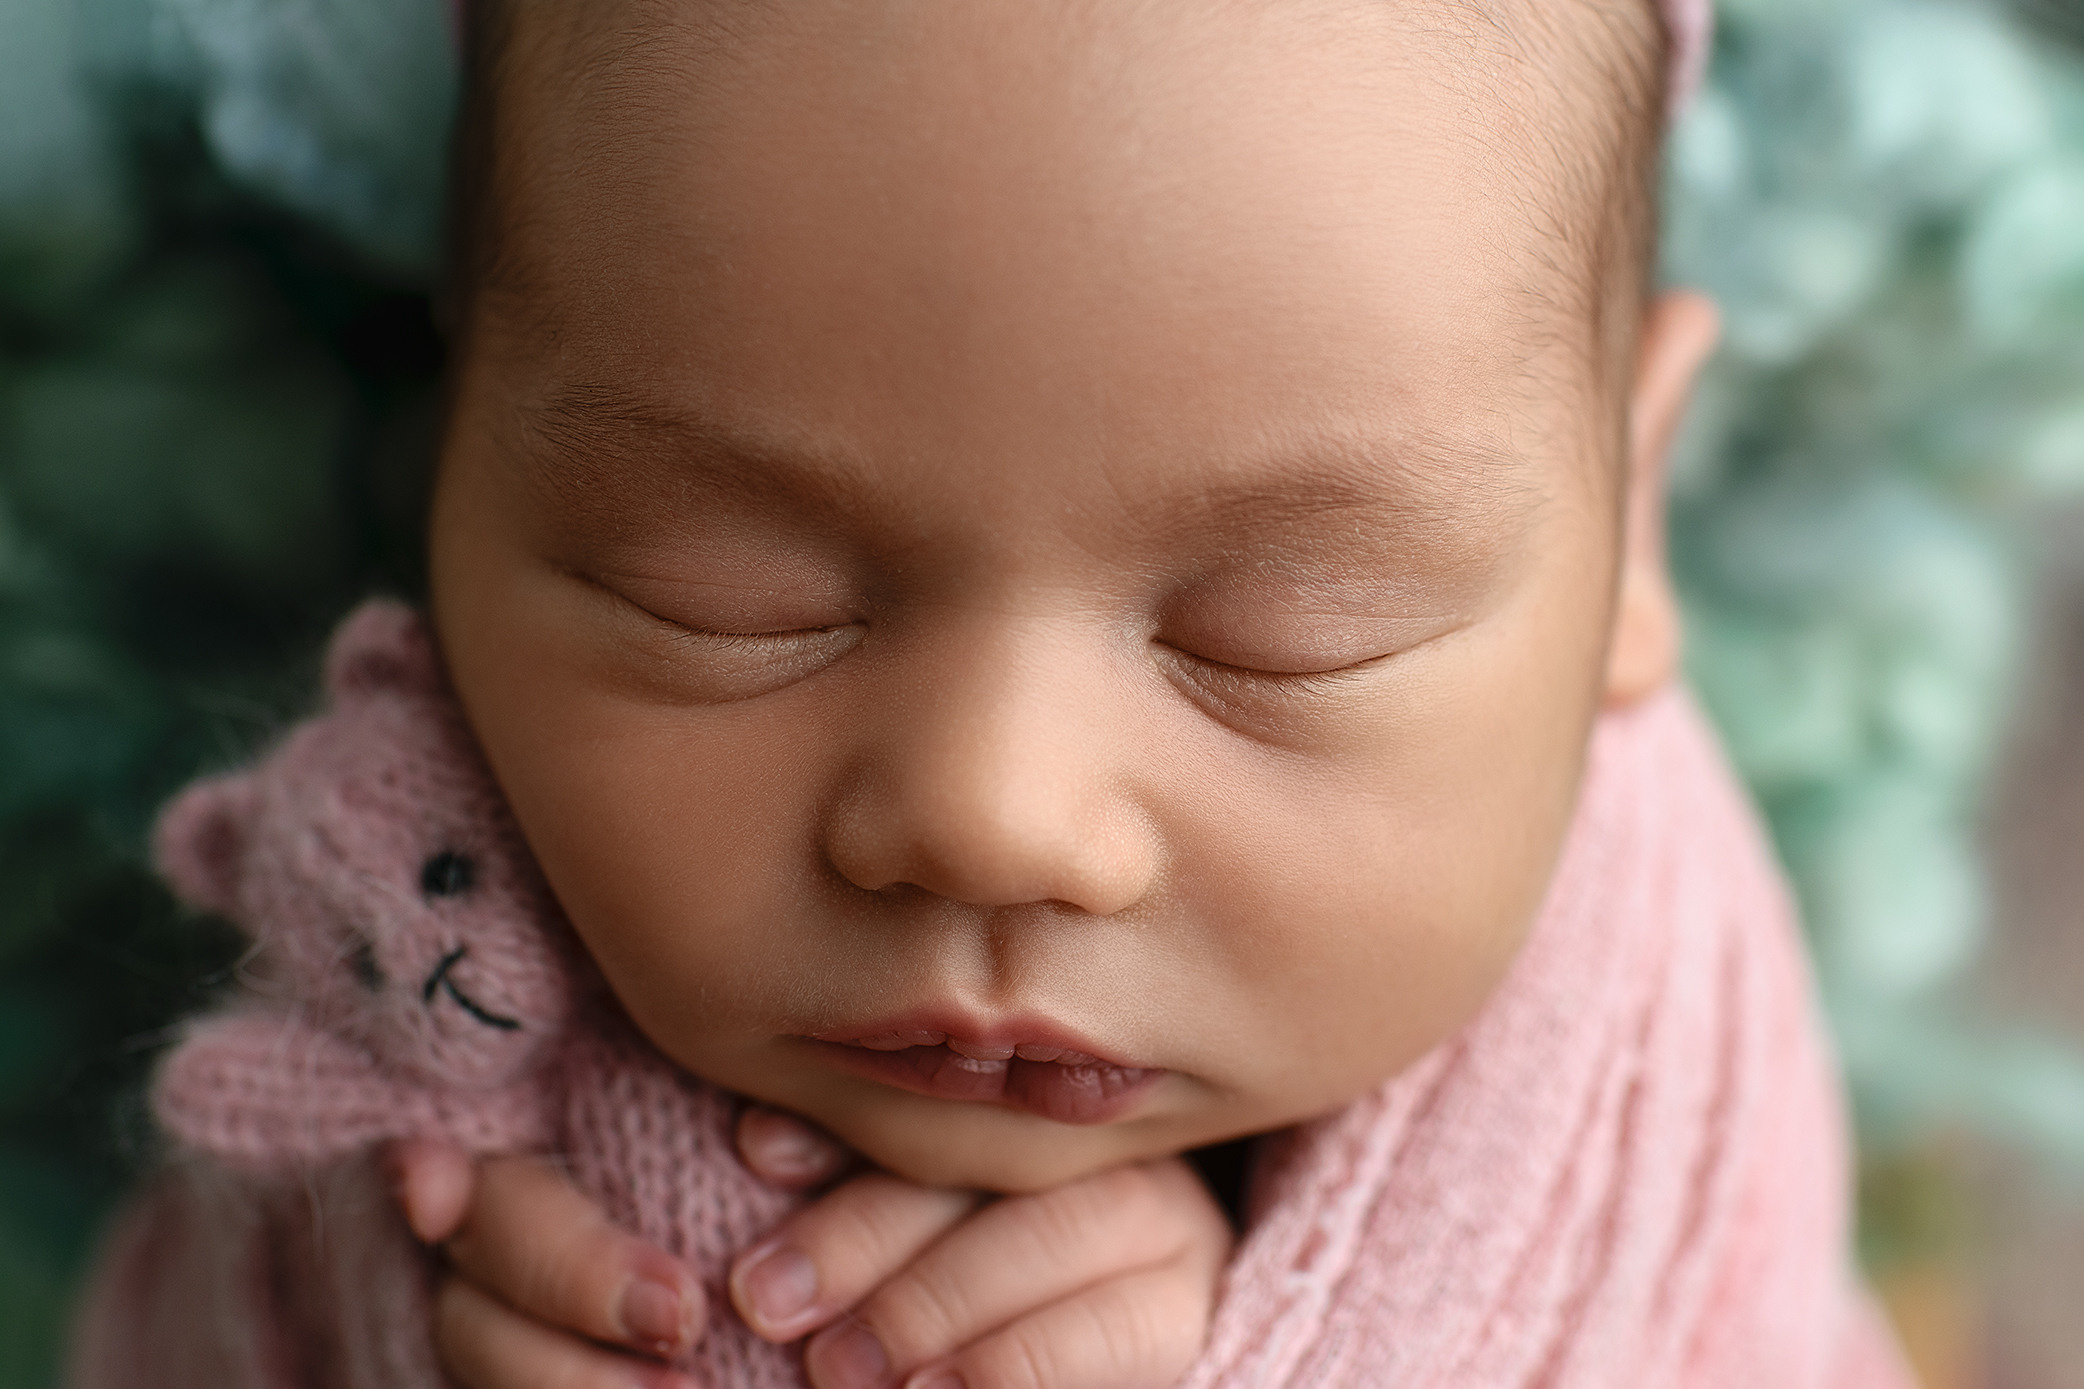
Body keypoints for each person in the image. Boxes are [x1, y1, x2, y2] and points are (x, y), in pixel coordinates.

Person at [71, 1, 1918, 1386]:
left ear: (1632, 522)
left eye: (1285, 628)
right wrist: (397, 1300)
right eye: (728, 597)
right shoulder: (402, 890)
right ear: (446, 467)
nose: (990, 811)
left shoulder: (1648, 1011)